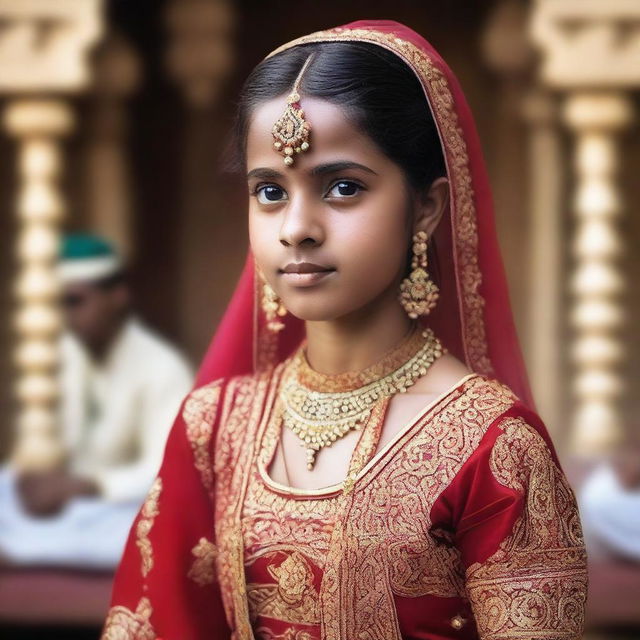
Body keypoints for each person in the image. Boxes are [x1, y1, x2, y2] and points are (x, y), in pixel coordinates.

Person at [102, 20, 587, 639]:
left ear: (427, 206)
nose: (296, 228)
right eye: (271, 191)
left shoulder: (494, 449)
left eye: (342, 187)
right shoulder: (211, 428)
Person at [0, 233, 193, 568]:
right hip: (65, 508)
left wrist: (88, 486)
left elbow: (166, 472)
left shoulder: (162, 368)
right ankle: (35, 546)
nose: (63, 315)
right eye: (55, 304)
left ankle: (30, 550)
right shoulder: (58, 358)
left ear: (116, 296)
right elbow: (39, 451)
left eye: (74, 301)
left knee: (150, 533)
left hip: (115, 508)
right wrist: (30, 479)